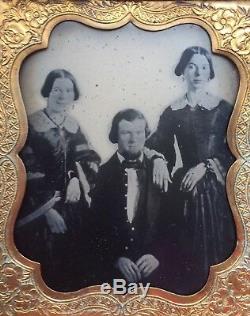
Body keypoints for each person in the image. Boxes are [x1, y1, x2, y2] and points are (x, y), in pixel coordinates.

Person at [147, 46, 236, 294]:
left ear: (209, 73)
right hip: (184, 189)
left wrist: (206, 167)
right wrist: (158, 160)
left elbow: (236, 151)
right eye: (192, 66)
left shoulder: (223, 109)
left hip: (217, 190)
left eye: (203, 67)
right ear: (183, 71)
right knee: (183, 254)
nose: (198, 72)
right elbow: (157, 144)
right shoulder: (173, 111)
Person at [14, 69, 101, 292]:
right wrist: (47, 211)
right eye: (57, 90)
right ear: (48, 92)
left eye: (68, 90)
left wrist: (74, 179)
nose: (62, 95)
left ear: (74, 95)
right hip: (37, 207)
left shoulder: (73, 126)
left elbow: (88, 158)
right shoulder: (31, 126)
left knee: (77, 264)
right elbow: (28, 170)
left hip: (72, 206)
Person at [91, 109, 167, 287]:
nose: (133, 139)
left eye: (139, 132)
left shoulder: (160, 171)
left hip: (156, 273)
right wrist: (115, 258)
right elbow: (91, 229)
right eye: (126, 133)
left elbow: (173, 223)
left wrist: (157, 255)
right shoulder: (100, 175)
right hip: (111, 274)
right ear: (115, 136)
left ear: (145, 134)